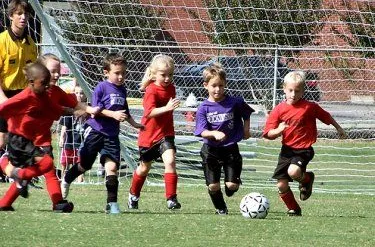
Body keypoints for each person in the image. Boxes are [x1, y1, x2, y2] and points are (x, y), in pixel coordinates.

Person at [0, 53, 98, 212]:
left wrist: (89, 109)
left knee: (48, 170)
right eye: (53, 71)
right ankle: (9, 169)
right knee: (43, 167)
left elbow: (71, 104)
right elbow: (8, 110)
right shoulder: (31, 94)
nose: (57, 74)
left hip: (42, 139)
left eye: (58, 71)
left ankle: (53, 202)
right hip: (24, 140)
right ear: (40, 72)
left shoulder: (56, 92)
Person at [61, 52, 143, 214]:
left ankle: (111, 204)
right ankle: (67, 178)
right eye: (117, 73)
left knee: (112, 167)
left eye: (123, 73)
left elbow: (124, 110)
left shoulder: (123, 90)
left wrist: (134, 124)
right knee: (85, 165)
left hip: (112, 135)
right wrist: (113, 115)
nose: (121, 77)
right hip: (95, 131)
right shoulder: (101, 87)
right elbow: (95, 111)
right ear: (106, 72)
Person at [263, 71, 347, 216]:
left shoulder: (309, 107)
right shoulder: (278, 110)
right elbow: (268, 133)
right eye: (290, 90)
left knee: (293, 172)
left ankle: (307, 179)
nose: (293, 94)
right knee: (281, 185)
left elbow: (325, 116)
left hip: (304, 149)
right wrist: (278, 131)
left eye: (297, 91)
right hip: (286, 150)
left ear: (302, 91)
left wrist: (338, 128)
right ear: (284, 88)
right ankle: (294, 209)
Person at [194, 63, 254, 215]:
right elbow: (201, 131)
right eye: (214, 85)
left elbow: (246, 114)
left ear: (225, 84)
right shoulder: (203, 108)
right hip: (211, 150)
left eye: (221, 85)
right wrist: (214, 134)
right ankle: (221, 208)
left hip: (230, 148)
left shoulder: (235, 102)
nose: (217, 89)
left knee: (231, 186)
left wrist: (246, 129)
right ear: (205, 85)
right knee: (213, 186)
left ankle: (233, 183)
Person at [0, 62, 59, 211]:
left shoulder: (47, 94)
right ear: (32, 82)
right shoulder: (25, 96)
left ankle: (4, 203)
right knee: (47, 165)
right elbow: (3, 108)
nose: (47, 85)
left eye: (57, 71)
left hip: (31, 140)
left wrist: (78, 110)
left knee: (44, 167)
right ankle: (17, 172)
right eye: (44, 82)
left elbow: (57, 109)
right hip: (20, 140)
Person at [127, 54, 182, 210]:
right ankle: (133, 194)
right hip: (148, 136)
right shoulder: (151, 90)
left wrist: (169, 108)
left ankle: (171, 198)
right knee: (144, 168)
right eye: (163, 75)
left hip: (165, 134)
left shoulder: (172, 88)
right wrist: (167, 108)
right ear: (154, 73)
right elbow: (149, 113)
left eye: (170, 75)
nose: (167, 78)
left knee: (170, 161)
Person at [0, 0, 37, 180]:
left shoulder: (31, 44)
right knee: (2, 139)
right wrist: (3, 99)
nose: (23, 17)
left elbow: (33, 75)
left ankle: (22, 173)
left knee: (23, 137)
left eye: (26, 14)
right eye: (19, 14)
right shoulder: (1, 41)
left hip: (22, 97)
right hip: (4, 95)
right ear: (10, 16)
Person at [59, 84, 87, 183]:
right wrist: (62, 138)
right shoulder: (69, 108)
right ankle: (63, 178)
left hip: (82, 140)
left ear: (86, 95)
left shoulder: (88, 109)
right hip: (69, 140)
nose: (79, 95)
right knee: (65, 162)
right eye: (77, 93)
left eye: (82, 93)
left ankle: (80, 180)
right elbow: (64, 126)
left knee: (81, 162)